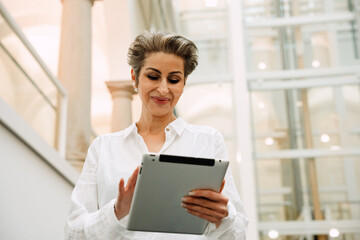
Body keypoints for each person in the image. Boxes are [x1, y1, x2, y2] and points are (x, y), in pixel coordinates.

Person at [65, 31, 248, 239]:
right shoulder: (103, 148)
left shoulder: (208, 141)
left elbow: (238, 233)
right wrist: (116, 212)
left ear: (184, 83)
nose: (163, 89)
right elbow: (73, 232)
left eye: (174, 80)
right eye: (153, 76)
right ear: (135, 78)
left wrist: (224, 217)